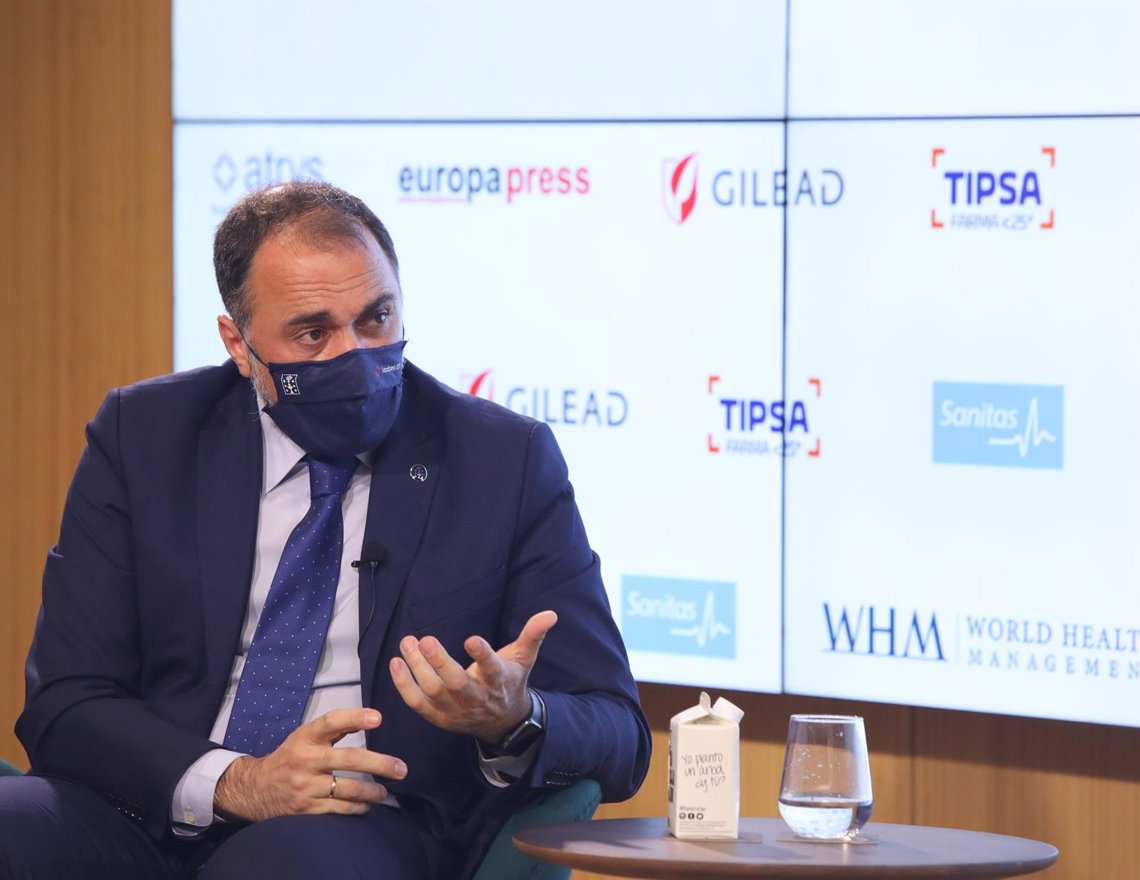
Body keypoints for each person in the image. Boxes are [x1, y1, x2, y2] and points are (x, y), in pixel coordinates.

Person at [0, 182, 651, 879]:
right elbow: (65, 701)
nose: (356, 359)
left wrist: (513, 717)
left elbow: (619, 732)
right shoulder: (146, 435)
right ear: (240, 344)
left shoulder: (500, 461)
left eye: (376, 319)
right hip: (153, 805)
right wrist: (237, 782)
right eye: (314, 333)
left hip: (360, 825)